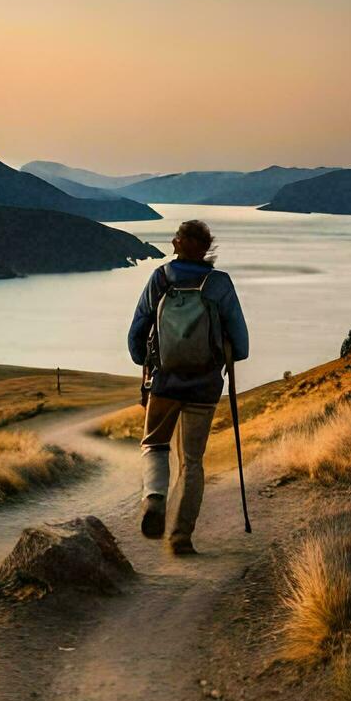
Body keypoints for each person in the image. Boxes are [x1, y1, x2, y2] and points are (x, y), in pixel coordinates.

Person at [126, 220, 249, 554]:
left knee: (154, 444)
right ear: (206, 248)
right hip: (205, 386)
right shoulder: (219, 284)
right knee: (192, 461)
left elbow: (137, 332)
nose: (172, 240)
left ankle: (154, 499)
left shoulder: (161, 279)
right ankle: (181, 537)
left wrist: (146, 363)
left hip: (165, 381)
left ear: (180, 244)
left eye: (176, 237)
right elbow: (242, 344)